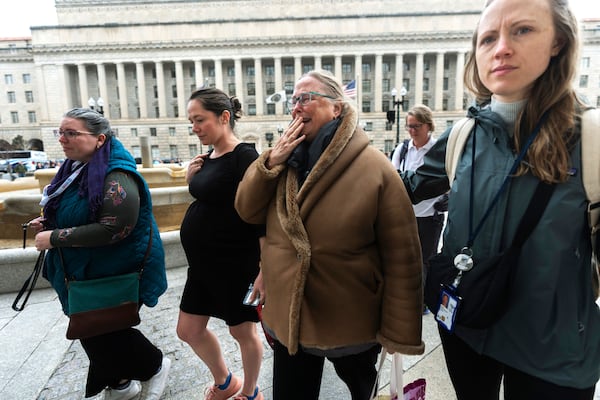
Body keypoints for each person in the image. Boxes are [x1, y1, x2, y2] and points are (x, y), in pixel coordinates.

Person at [401, 0, 600, 398]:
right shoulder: (463, 135)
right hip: (469, 328)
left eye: (522, 30)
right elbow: (399, 191)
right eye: (488, 37)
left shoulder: (591, 138)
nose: (501, 48)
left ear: (559, 42)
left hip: (551, 350)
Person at [235, 69, 424, 400]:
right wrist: (269, 162)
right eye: (294, 100)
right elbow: (246, 210)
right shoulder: (284, 162)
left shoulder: (374, 167)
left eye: (306, 98)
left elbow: (402, 255)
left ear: (337, 108)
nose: (296, 107)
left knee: (361, 388)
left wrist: (397, 332)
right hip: (290, 320)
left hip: (348, 318)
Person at [28, 108, 170, 400]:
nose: (62, 139)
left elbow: (115, 228)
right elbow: (80, 210)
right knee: (93, 328)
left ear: (100, 138)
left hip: (119, 268)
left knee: (103, 329)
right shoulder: (78, 167)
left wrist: (54, 238)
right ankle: (120, 384)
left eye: (71, 133)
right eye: (61, 132)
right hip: (91, 269)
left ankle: (155, 366)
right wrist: (50, 221)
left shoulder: (117, 174)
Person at [176, 88, 265, 400]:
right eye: (192, 121)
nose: (195, 127)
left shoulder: (244, 156)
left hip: (235, 264)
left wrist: (264, 269)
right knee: (188, 330)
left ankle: (251, 392)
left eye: (200, 119)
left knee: (242, 331)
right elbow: (212, 198)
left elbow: (261, 214)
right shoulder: (207, 157)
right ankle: (226, 381)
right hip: (202, 267)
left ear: (224, 117)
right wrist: (191, 179)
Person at [391, 105, 447, 314]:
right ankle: (407, 296)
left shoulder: (438, 150)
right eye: (409, 126)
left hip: (430, 216)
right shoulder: (402, 149)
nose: (412, 130)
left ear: (428, 125)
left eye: (416, 126)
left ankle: (424, 300)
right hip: (406, 214)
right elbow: (393, 176)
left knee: (426, 259)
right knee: (405, 258)